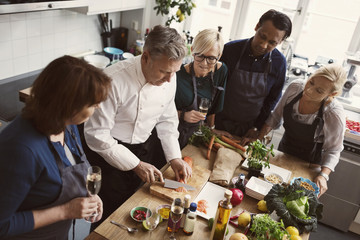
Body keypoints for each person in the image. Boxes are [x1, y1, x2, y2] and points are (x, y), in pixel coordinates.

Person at [84, 25, 192, 228]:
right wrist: (135, 164)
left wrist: (175, 157)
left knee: (135, 210)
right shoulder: (112, 80)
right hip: (110, 156)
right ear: (145, 57)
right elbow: (97, 135)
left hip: (144, 148)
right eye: (164, 71)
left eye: (174, 72)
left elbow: (167, 120)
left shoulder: (171, 75)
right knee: (109, 219)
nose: (170, 79)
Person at [0, 55, 111, 239]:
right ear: (69, 105)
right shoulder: (21, 150)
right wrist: (66, 211)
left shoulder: (67, 124)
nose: (98, 107)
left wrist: (88, 194)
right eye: (93, 103)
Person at [258, 64, 347, 197]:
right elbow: (276, 117)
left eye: (319, 91)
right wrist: (258, 140)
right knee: (271, 193)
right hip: (283, 153)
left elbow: (333, 150)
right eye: (311, 82)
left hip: (309, 165)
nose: (309, 90)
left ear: (332, 94)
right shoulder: (295, 87)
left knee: (293, 199)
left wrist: (323, 176)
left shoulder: (333, 114)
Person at [215, 9, 292, 142]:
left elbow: (272, 100)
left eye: (272, 43)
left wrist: (257, 128)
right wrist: (211, 125)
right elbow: (214, 88)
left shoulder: (279, 63)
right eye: (262, 36)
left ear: (280, 41)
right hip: (219, 125)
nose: (263, 45)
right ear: (257, 27)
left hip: (249, 133)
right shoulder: (230, 50)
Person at [175, 28, 228, 149]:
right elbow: (161, 111)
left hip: (198, 137)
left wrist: (211, 129)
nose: (204, 63)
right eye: (200, 56)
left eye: (211, 58)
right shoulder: (177, 74)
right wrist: (183, 115)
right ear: (193, 51)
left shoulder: (221, 71)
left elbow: (213, 108)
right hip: (173, 134)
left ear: (219, 56)